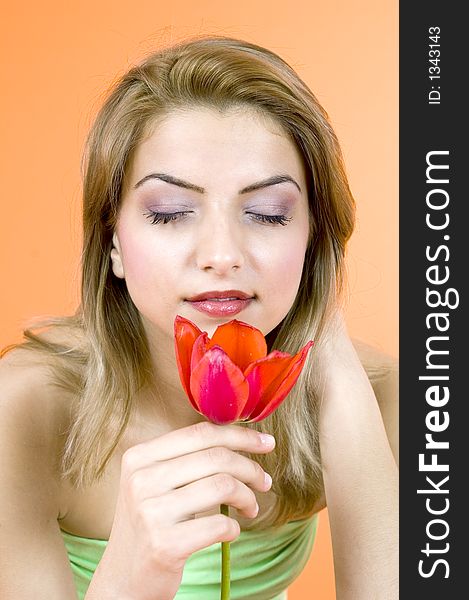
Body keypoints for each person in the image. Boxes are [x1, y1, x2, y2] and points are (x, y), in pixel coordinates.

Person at [0, 36, 398, 599]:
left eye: (267, 214)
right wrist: (135, 575)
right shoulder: (22, 413)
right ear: (111, 240)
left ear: (314, 237)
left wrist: (333, 374)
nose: (221, 254)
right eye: (169, 214)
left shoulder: (379, 395)